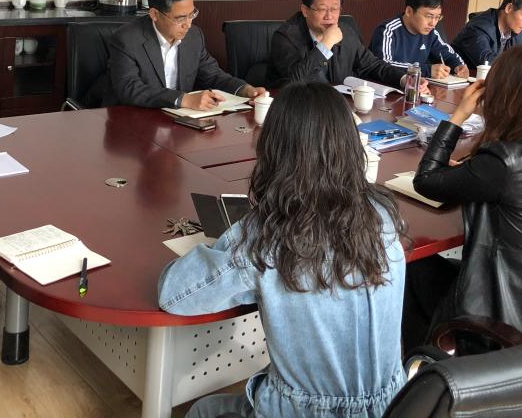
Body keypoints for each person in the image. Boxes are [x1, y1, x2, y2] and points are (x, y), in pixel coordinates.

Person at [158, 82, 407, 418]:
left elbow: (174, 294)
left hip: (305, 412)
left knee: (203, 410)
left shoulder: (270, 235)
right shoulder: (383, 215)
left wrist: (231, 239)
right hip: (395, 405)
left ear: (273, 151)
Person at [403, 46, 522, 351]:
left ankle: (424, 367)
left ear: (504, 94)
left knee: (414, 267)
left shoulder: (503, 163)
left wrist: (458, 116)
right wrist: (474, 170)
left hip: (501, 317)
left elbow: (425, 180)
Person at [105, 0, 265, 110]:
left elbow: (213, 75)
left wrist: (245, 90)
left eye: (192, 14)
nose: (188, 24)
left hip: (180, 120)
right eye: (180, 18)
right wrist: (182, 99)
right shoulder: (126, 39)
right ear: (154, 14)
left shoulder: (194, 36)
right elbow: (130, 88)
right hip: (134, 119)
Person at [267, 0, 416, 92]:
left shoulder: (346, 32)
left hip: (338, 107)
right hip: (297, 109)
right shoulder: (285, 37)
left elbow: (372, 65)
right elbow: (295, 82)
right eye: (322, 9)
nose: (329, 16)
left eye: (334, 9)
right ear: (305, 10)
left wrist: (404, 79)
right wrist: (325, 44)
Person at [369, 0, 467, 79]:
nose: (433, 23)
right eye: (428, 16)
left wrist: (459, 66)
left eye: (437, 17)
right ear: (409, 11)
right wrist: (426, 70)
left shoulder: (431, 33)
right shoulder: (388, 30)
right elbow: (383, 65)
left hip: (418, 86)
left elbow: (450, 55)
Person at [451, 0, 522, 69]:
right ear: (509, 8)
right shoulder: (478, 28)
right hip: (461, 78)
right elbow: (487, 62)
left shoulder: (517, 29)